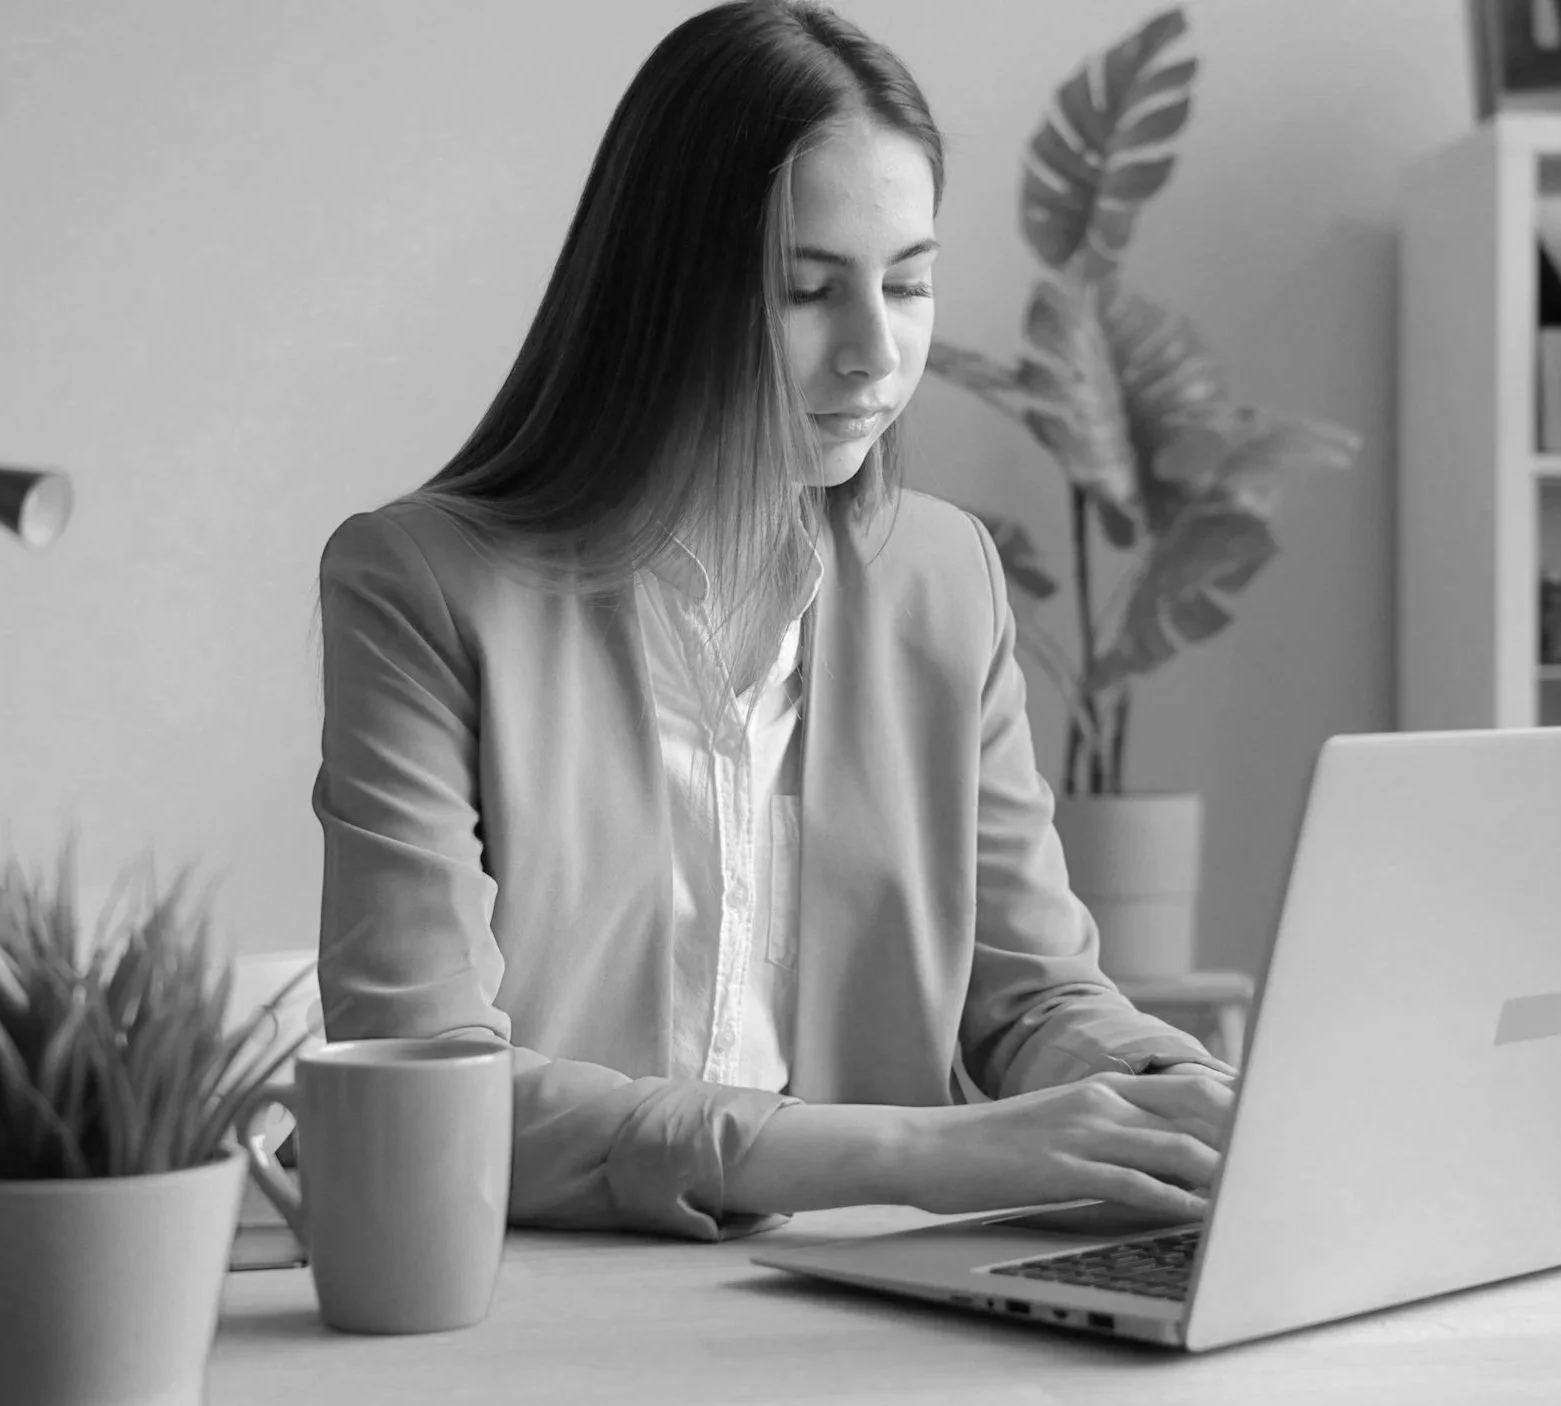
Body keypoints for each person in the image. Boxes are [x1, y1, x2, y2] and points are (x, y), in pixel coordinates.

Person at [314, 0, 1235, 1243]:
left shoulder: (942, 577)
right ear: (661, 293)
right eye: (809, 291)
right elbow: (426, 1081)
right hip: (546, 1299)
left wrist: (1172, 1090)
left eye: (908, 283)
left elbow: (1028, 999)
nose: (875, 354)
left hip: (869, 1307)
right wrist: (923, 1148)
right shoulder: (421, 583)